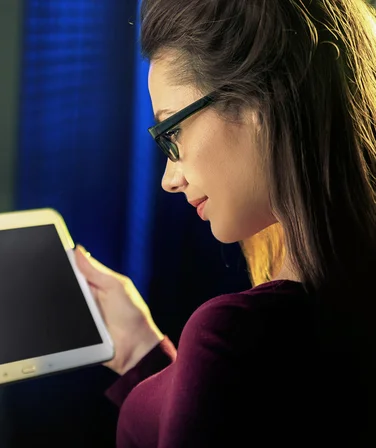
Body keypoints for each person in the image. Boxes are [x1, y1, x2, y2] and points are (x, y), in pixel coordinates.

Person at [74, 0, 376, 446]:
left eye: (171, 132)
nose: (169, 180)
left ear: (260, 100)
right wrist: (144, 357)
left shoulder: (234, 335)